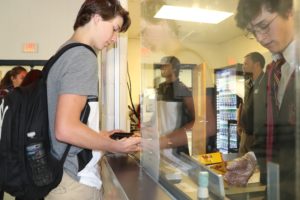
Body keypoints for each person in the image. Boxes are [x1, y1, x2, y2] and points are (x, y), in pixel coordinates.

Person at [44, 0, 141, 199]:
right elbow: (65, 129)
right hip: (74, 183)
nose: (114, 38)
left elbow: (64, 121)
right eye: (114, 29)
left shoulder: (64, 51)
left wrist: (101, 136)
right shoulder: (82, 56)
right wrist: (114, 145)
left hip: (60, 176)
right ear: (97, 18)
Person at [225, 0, 296, 198]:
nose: (261, 38)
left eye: (264, 26)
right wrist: (255, 157)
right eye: (253, 31)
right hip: (279, 188)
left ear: (288, 11)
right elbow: (279, 130)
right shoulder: (274, 70)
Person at [156, 56, 195, 155]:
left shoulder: (183, 90)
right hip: (159, 143)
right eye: (162, 66)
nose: (162, 68)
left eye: (165, 66)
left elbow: (195, 121)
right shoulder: (160, 88)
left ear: (174, 68)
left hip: (175, 147)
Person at [237, 52, 265, 155]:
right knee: (241, 164)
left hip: (257, 137)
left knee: (254, 168)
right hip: (245, 134)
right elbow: (245, 104)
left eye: (246, 64)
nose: (243, 67)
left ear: (257, 65)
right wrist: (240, 123)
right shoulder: (248, 83)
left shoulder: (267, 83)